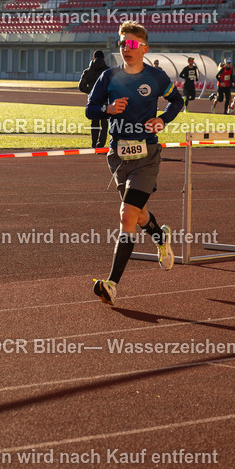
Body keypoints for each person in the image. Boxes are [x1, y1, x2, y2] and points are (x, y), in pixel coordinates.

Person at [85, 21, 183, 305]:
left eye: (130, 44)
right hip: (117, 156)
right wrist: (107, 109)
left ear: (143, 48)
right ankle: (159, 234)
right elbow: (91, 110)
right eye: (121, 44)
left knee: (126, 215)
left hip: (146, 156)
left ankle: (112, 284)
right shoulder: (108, 76)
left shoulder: (155, 76)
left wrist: (162, 119)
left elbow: (177, 101)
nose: (125, 49)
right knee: (138, 215)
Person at [79, 50, 110, 148]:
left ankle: (94, 144)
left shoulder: (88, 71)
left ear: (93, 58)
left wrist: (91, 92)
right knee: (104, 123)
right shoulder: (108, 71)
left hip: (93, 100)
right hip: (105, 100)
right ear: (103, 59)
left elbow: (81, 86)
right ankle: (100, 144)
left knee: (94, 122)